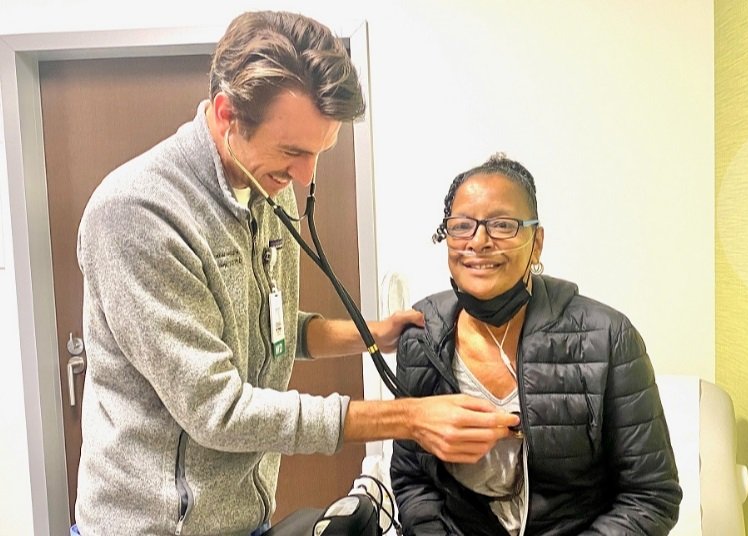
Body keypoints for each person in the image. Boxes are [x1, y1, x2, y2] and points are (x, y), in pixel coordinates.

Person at [74, 11, 517, 536]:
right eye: (292, 151)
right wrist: (410, 418)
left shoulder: (264, 187)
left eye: (318, 152)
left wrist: (371, 335)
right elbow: (218, 410)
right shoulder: (139, 214)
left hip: (245, 516)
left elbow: (273, 331)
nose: (304, 175)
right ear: (226, 115)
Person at [390, 154, 682, 535]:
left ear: (537, 242)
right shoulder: (422, 336)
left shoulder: (608, 337)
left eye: (502, 225)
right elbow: (413, 481)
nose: (478, 242)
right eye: (462, 226)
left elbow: (651, 495)